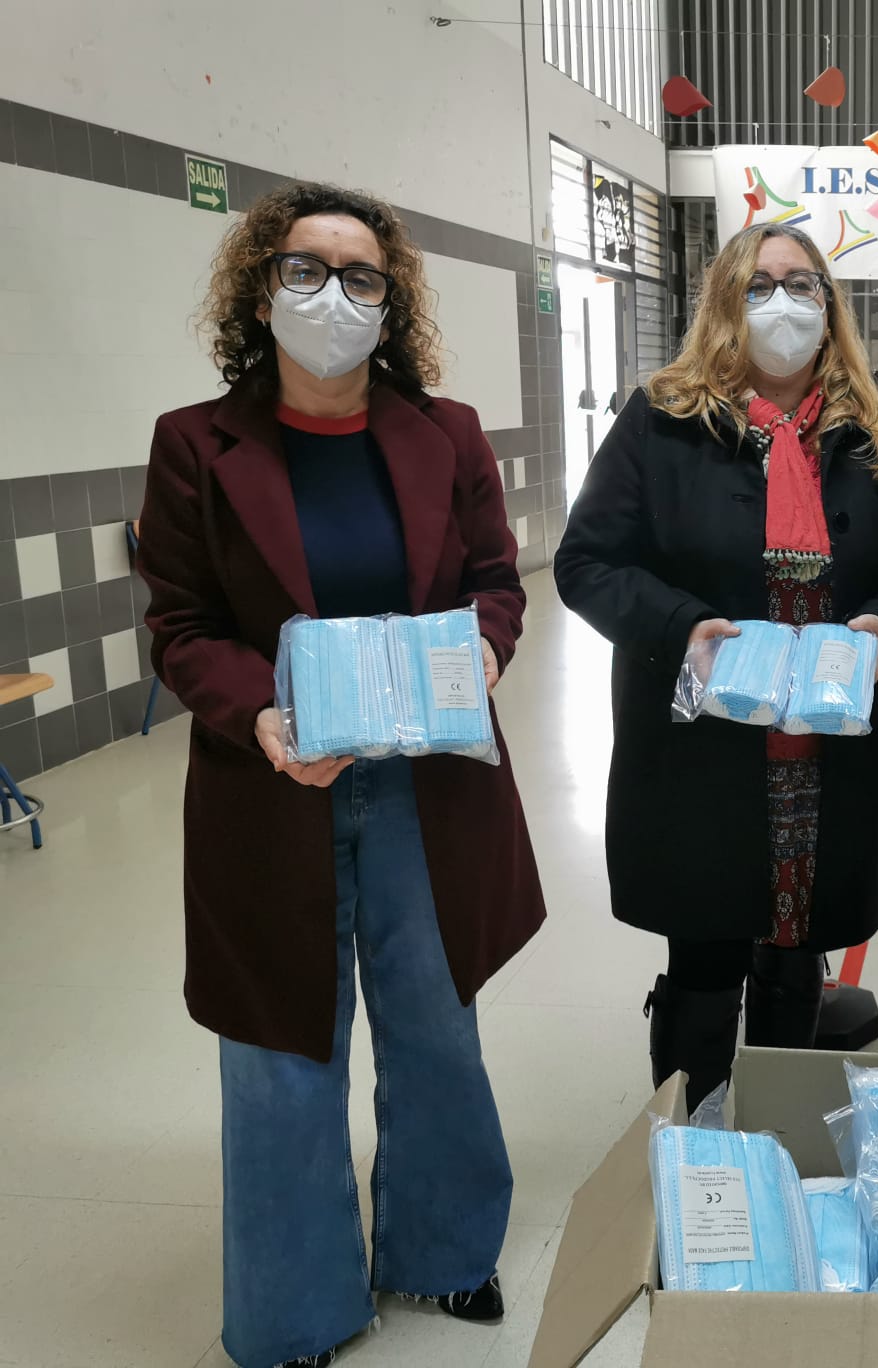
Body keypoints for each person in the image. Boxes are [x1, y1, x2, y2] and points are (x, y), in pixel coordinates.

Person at [138, 183, 546, 1368]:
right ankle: (296, 1311)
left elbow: (495, 581)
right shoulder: (195, 444)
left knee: (436, 1031)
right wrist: (262, 716)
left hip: (429, 785)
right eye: (305, 270)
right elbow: (181, 624)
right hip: (275, 783)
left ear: (390, 300)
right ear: (261, 293)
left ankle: (444, 1252)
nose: (333, 295)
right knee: (281, 1051)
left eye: (360, 275)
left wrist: (483, 647)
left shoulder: (446, 434)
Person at [553, 223, 878, 1112]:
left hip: (828, 749)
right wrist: (684, 627)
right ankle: (696, 1143)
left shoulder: (874, 435)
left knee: (799, 944)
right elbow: (587, 562)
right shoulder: (661, 421)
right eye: (760, 284)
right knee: (704, 951)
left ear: (829, 306)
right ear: (725, 302)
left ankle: (778, 1125)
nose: (783, 302)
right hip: (706, 744)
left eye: (802, 284)